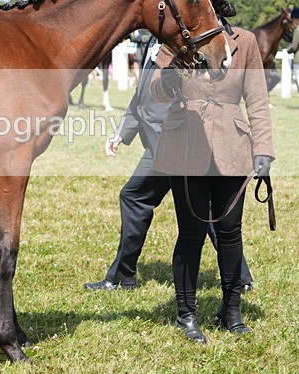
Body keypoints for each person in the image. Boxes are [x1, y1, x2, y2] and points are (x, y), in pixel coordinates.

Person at [150, 0, 275, 344]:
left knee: (231, 231)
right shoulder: (175, 40)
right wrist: (171, 72)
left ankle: (231, 311)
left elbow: (257, 99)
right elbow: (155, 92)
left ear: (214, 3)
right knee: (190, 233)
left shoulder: (245, 41)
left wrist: (263, 149)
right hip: (186, 142)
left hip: (232, 145)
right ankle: (185, 314)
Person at [84, 26, 253, 292]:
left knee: (146, 199)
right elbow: (142, 94)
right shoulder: (154, 40)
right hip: (160, 142)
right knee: (186, 205)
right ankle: (240, 278)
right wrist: (123, 131)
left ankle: (122, 276)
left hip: (174, 141)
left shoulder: (181, 41)